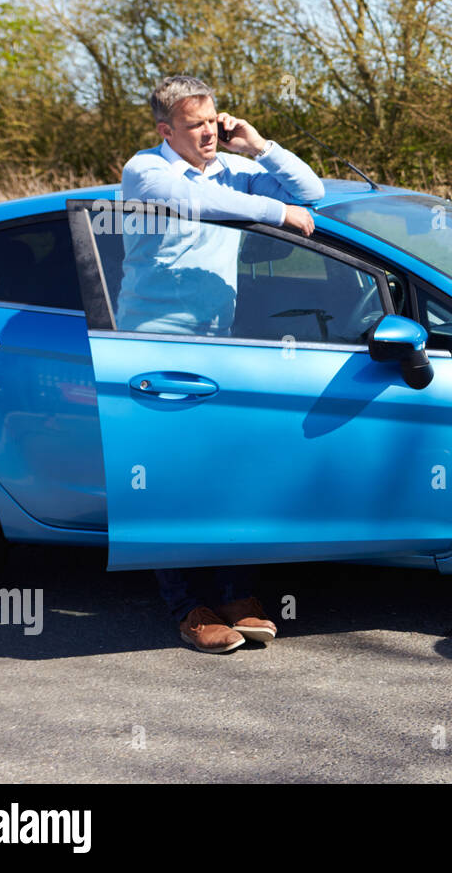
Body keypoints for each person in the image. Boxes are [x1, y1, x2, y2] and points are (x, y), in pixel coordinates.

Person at [121, 75, 325, 653]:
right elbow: (198, 203)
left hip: (218, 347)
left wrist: (259, 148)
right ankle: (189, 607)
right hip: (154, 350)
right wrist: (276, 213)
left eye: (212, 121)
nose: (208, 133)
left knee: (229, 471)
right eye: (194, 125)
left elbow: (312, 194)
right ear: (166, 130)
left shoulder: (232, 171)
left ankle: (236, 595)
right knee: (171, 482)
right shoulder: (146, 171)